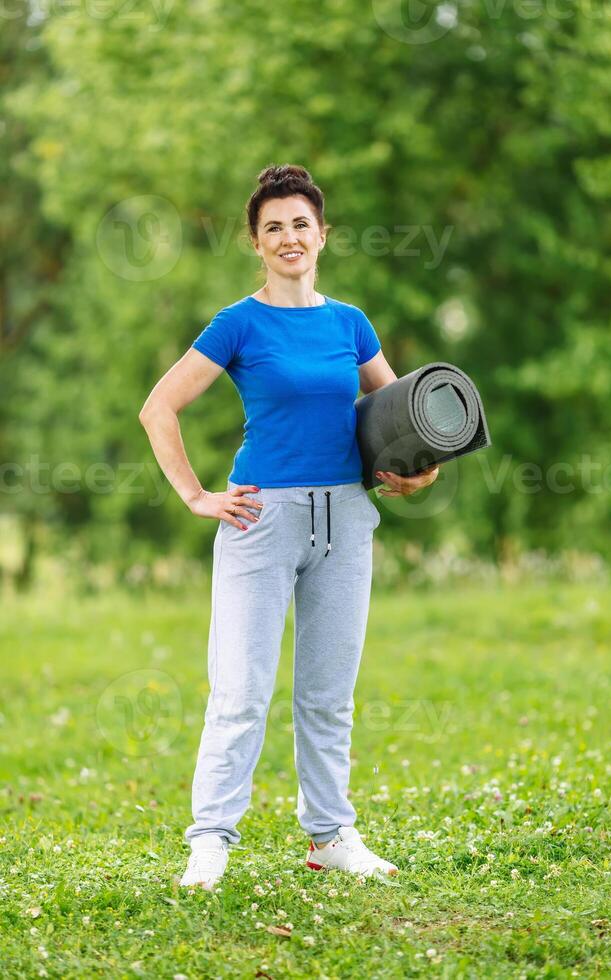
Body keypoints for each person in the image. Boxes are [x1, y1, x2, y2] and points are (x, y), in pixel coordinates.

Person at [139, 164, 440, 890]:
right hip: (260, 519)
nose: (289, 236)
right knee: (240, 692)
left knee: (328, 694)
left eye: (300, 223)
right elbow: (159, 408)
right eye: (274, 226)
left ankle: (331, 835)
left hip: (345, 519)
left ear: (323, 235)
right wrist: (195, 495)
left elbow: (399, 415)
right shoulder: (239, 323)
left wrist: (418, 471)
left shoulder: (350, 324)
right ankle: (209, 842)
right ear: (257, 242)